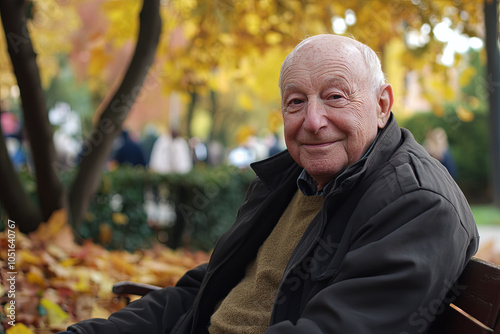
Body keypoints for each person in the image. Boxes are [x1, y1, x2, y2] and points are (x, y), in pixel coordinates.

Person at [61, 34, 479, 334]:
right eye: (296, 102)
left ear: (382, 105)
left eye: (335, 96)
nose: (313, 122)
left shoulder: (419, 204)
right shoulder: (293, 181)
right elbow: (203, 291)